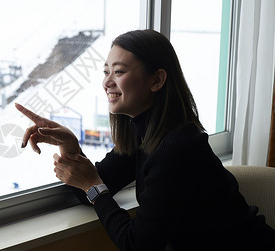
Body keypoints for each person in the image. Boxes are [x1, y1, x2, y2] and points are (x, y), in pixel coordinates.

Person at [15, 29, 275, 250]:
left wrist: (93, 186)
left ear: (157, 80)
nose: (107, 82)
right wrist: (70, 146)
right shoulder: (144, 134)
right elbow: (87, 190)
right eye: (106, 72)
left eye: (118, 72)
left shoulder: (176, 148)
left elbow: (137, 244)